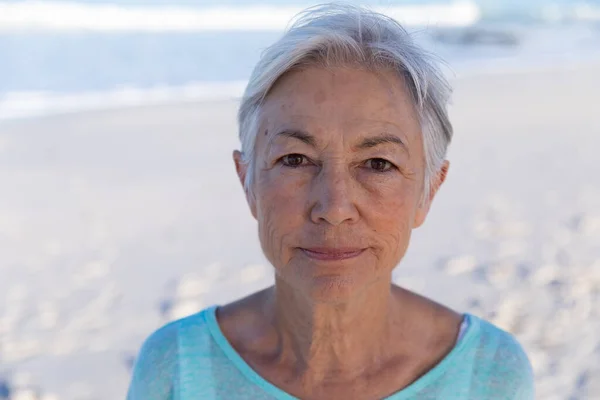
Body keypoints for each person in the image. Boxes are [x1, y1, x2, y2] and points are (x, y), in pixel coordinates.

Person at [126, 3, 534, 399]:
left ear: (428, 189)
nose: (334, 208)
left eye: (377, 163)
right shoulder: (175, 366)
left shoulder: (489, 373)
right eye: (295, 159)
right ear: (246, 180)